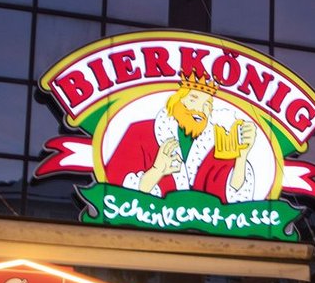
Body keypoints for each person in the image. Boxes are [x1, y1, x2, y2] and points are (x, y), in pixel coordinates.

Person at [104, 72, 260, 203]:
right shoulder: (139, 132)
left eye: (207, 104)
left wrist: (242, 157)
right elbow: (113, 192)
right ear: (176, 102)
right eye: (193, 99)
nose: (200, 109)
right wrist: (156, 172)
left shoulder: (217, 147)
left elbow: (235, 199)